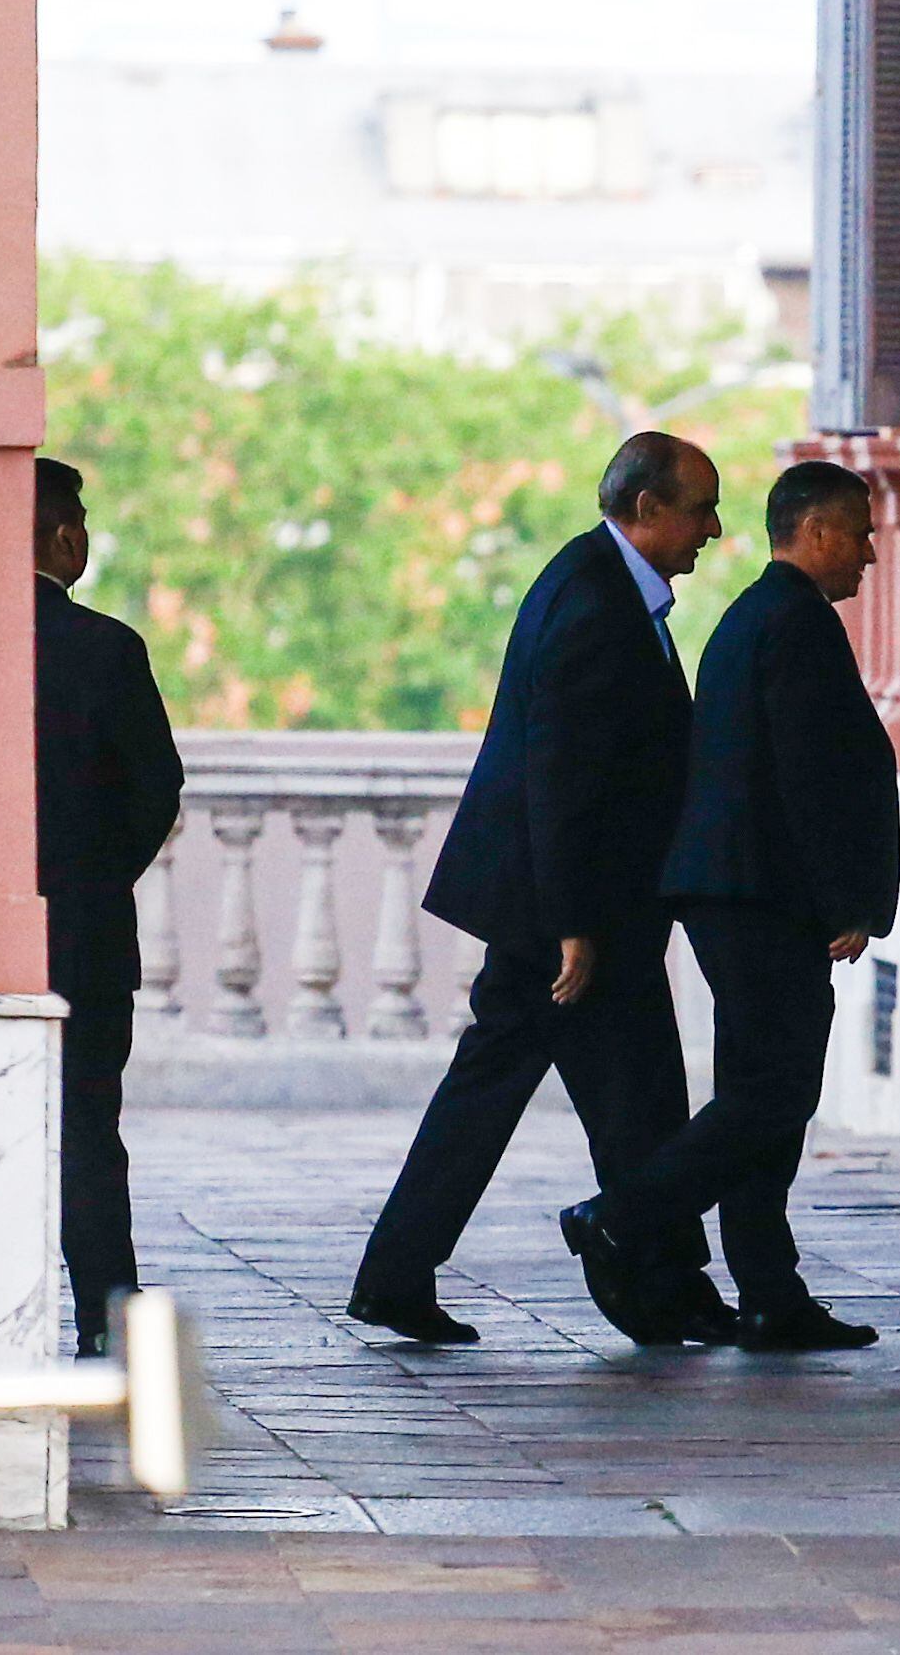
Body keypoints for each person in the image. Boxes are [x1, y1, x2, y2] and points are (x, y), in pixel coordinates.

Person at [348, 432, 733, 1346]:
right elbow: (558, 776)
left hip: (595, 910)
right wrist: (571, 925)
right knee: (577, 1094)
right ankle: (656, 1283)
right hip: (570, 919)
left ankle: (659, 1284)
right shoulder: (595, 603)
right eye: (699, 509)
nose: (713, 530)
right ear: (646, 509)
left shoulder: (599, 584)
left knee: (624, 1097)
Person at [561, 462, 898, 1352]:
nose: (870, 551)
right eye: (860, 532)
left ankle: (768, 1294)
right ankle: (620, 1217)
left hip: (741, 895)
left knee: (766, 1094)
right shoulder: (792, 624)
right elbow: (807, 782)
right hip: (763, 899)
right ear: (817, 531)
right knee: (772, 1093)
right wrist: (847, 899)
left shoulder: (762, 618)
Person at [34, 456, 186, 1360]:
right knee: (89, 1130)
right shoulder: (107, 649)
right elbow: (156, 787)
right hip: (85, 936)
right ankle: (105, 1311)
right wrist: (93, 875)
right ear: (62, 535)